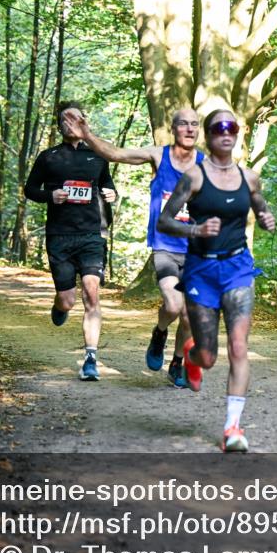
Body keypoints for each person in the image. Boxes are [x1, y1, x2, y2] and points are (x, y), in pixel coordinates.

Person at [157, 108, 276, 453]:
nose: (226, 132)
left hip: (238, 268)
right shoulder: (193, 177)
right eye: (218, 128)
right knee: (209, 357)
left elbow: (260, 207)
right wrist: (195, 229)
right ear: (208, 136)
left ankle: (232, 428)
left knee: (239, 346)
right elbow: (165, 222)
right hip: (201, 271)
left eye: (232, 127)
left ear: (237, 134)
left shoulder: (250, 178)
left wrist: (267, 219)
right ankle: (192, 355)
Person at [63, 108, 203, 388]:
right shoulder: (158, 155)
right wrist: (86, 134)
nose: (189, 129)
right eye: (183, 124)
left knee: (191, 313)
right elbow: (116, 154)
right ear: (173, 129)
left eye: (194, 124)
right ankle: (160, 332)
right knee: (174, 305)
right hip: (165, 246)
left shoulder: (206, 164)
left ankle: (176, 362)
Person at [24, 101, 117, 381]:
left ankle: (90, 358)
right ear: (59, 125)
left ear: (84, 121)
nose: (71, 123)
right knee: (69, 301)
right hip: (60, 235)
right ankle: (59, 305)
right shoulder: (48, 157)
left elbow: (107, 185)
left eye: (76, 118)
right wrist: (50, 196)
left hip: (91, 234)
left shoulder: (97, 155)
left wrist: (112, 194)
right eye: (65, 119)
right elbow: (29, 189)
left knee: (92, 293)